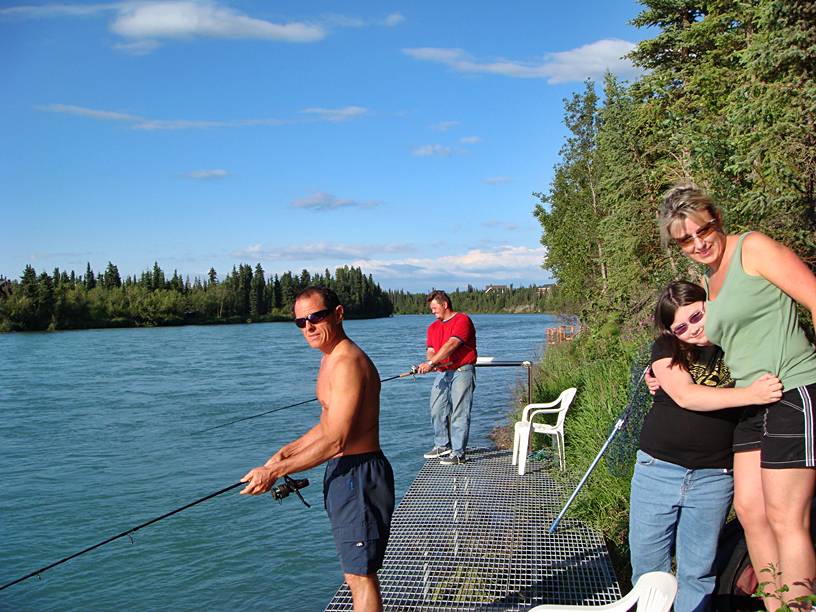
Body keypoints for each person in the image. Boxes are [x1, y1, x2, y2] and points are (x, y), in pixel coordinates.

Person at [658, 183, 816, 605]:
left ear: (717, 219)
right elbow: (712, 339)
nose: (697, 243)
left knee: (787, 518)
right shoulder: (710, 281)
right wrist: (659, 372)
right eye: (685, 240)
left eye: (702, 231)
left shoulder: (754, 249)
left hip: (792, 387)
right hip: (752, 400)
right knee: (750, 512)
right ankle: (775, 603)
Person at [241, 286, 395, 612]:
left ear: (338, 314)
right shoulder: (329, 358)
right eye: (300, 322)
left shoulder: (348, 363)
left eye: (316, 317)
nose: (308, 327)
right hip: (344, 475)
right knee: (353, 573)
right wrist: (287, 452)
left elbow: (337, 439)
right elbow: (327, 425)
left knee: (361, 576)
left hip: (359, 477)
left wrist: (275, 471)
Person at [633, 280, 782, 612]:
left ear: (710, 305)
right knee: (648, 572)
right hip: (658, 469)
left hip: (714, 477)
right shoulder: (666, 347)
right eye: (681, 326)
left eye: (697, 316)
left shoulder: (741, 343)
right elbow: (686, 394)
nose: (692, 330)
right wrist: (751, 394)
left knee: (698, 573)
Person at [416, 290, 477, 465]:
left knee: (460, 411)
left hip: (462, 371)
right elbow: (431, 349)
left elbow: (452, 344)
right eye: (431, 309)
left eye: (435, 308)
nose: (433, 312)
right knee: (436, 408)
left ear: (445, 305)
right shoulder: (433, 327)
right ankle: (442, 445)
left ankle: (458, 453)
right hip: (443, 372)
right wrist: (431, 362)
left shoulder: (462, 320)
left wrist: (432, 363)